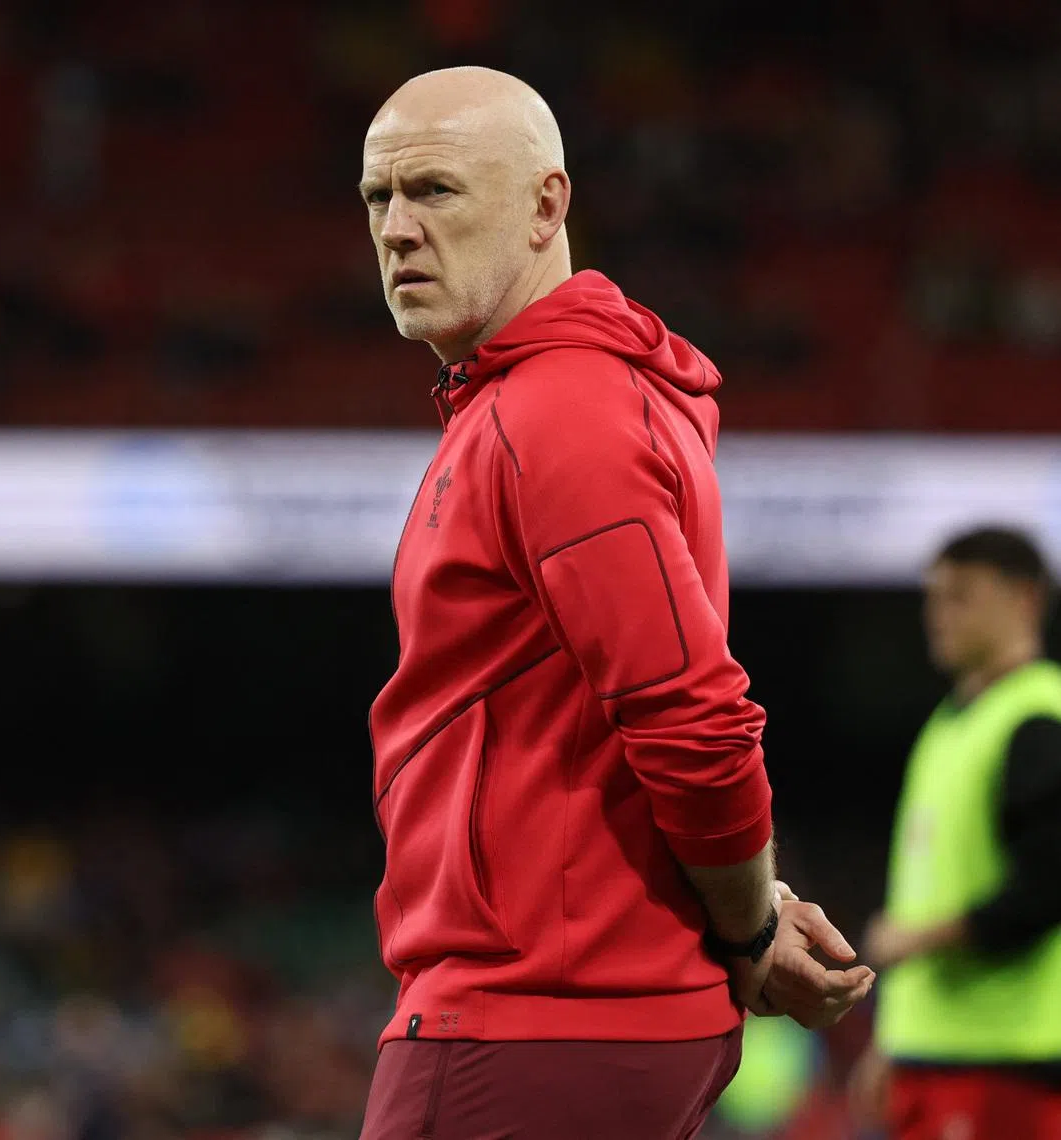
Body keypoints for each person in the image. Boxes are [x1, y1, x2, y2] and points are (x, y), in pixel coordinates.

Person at [358, 66, 874, 1140]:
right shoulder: (541, 401)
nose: (399, 230)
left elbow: (690, 712)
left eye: (437, 192)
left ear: (549, 205)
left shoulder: (560, 415)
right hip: (559, 1009)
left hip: (536, 1016)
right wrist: (753, 915)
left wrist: (745, 930)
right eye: (379, 199)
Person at [851, 526, 1061, 1139]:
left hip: (1007, 1056)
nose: (936, 615)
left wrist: (918, 940)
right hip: (933, 1052)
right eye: (933, 597)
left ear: (1024, 600)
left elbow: (1046, 887)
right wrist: (892, 1040)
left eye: (960, 596)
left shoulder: (1038, 718)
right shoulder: (949, 725)